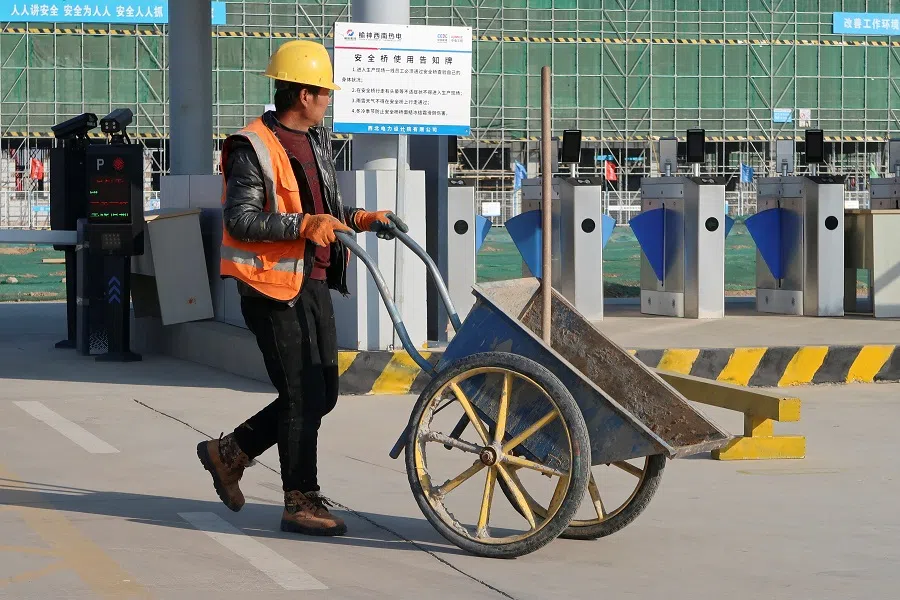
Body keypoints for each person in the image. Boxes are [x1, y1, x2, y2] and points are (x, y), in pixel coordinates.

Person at [196, 40, 407, 537]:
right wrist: (300, 226)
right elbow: (242, 220)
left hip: (311, 281)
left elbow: (321, 207)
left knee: (323, 392)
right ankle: (299, 500)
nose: (328, 100)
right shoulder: (251, 145)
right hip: (270, 288)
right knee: (297, 395)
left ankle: (229, 454)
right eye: (324, 93)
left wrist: (362, 218)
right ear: (303, 94)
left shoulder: (314, 140)